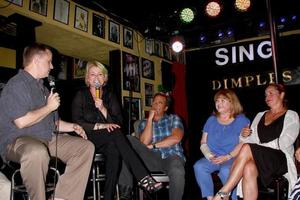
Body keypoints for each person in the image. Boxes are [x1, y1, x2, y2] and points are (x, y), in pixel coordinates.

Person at [0, 43, 95, 200]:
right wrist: (49, 106)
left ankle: (61, 198)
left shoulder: (43, 89)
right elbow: (21, 122)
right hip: (19, 141)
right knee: (36, 152)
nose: (52, 66)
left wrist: (73, 126)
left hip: (47, 138)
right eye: (49, 61)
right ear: (37, 60)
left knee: (85, 148)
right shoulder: (16, 85)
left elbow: (54, 123)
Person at [71, 61, 162, 200]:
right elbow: (77, 122)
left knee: (114, 148)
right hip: (86, 138)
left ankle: (108, 197)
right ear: (88, 79)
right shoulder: (81, 95)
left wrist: (103, 109)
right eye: (93, 74)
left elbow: (118, 124)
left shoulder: (110, 96)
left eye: (100, 74)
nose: (96, 78)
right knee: (114, 134)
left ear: (105, 78)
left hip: (109, 140)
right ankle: (143, 177)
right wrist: (101, 126)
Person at [212, 83, 300, 200]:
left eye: (271, 93)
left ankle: (225, 191)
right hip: (260, 159)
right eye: (265, 95)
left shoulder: (291, 115)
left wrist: (256, 148)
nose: (267, 97)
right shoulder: (260, 115)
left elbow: (284, 142)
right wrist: (244, 135)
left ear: (282, 95)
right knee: (248, 167)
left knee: (248, 148)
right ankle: (227, 193)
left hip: (280, 159)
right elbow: (249, 140)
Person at [118, 92, 186, 200]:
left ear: (166, 107)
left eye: (160, 103)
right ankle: (125, 194)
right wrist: (149, 120)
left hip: (171, 156)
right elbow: (143, 144)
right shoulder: (144, 123)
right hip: (151, 159)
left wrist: (154, 146)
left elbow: (176, 138)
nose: (156, 105)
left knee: (177, 169)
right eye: (154, 102)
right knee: (127, 140)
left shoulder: (174, 118)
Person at [193, 89, 250, 200]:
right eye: (217, 101)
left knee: (225, 171)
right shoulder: (211, 120)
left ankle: (231, 198)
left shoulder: (242, 120)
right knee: (199, 166)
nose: (219, 103)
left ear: (232, 102)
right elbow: (203, 142)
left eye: (223, 100)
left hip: (232, 157)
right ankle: (210, 198)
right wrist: (209, 155)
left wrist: (228, 156)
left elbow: (243, 144)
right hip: (213, 157)